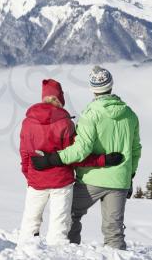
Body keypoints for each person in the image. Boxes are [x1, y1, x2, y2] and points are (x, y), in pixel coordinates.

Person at [31, 66, 142, 250]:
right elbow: (136, 150)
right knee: (114, 232)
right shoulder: (130, 115)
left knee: (70, 214)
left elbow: (80, 151)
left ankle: (70, 252)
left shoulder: (90, 115)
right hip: (120, 180)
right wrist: (129, 177)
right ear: (111, 86)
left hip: (91, 178)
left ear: (92, 88)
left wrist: (51, 159)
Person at [18, 78, 123, 246]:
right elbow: (77, 155)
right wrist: (103, 159)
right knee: (59, 227)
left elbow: (24, 154)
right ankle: (56, 255)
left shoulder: (28, 122)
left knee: (30, 221)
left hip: (36, 181)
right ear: (60, 99)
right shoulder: (65, 124)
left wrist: (29, 175)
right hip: (61, 182)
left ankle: (26, 251)